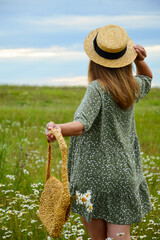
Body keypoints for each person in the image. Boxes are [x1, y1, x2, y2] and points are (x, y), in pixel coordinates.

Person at [46, 24, 153, 240]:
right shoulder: (130, 87)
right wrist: (139, 60)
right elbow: (148, 78)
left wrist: (58, 128)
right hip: (124, 174)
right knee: (120, 237)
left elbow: (82, 124)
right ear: (125, 59)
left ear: (95, 61)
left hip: (92, 177)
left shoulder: (98, 87)